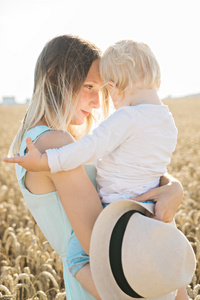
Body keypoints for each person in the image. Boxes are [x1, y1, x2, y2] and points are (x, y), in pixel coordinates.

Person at [4, 36, 185, 300]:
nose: (98, 102)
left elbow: (132, 172)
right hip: (108, 277)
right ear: (55, 77)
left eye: (101, 90)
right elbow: (97, 241)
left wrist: (171, 186)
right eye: (89, 86)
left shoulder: (55, 143)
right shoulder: (54, 143)